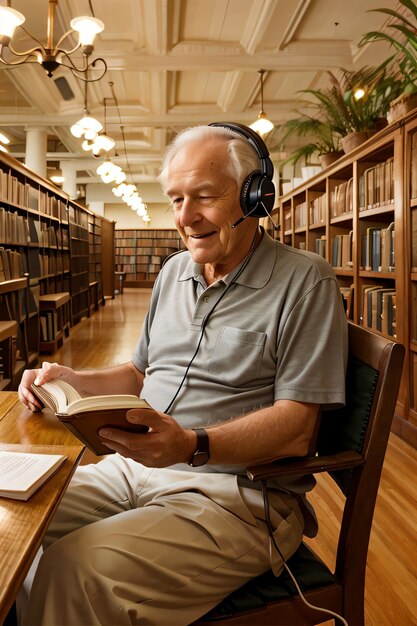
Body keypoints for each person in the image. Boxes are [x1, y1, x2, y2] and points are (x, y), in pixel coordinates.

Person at [18, 123, 347, 626]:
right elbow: (138, 371)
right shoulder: (173, 272)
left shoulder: (306, 281)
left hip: (239, 497)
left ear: (256, 197)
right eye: (175, 199)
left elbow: (299, 427)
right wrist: (72, 379)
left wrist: (192, 444)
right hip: (137, 470)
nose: (186, 217)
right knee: (14, 523)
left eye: (205, 197)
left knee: (75, 569)